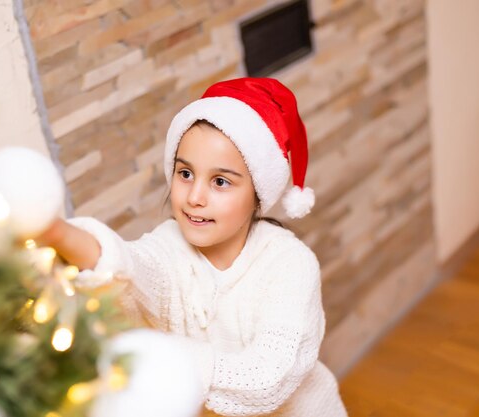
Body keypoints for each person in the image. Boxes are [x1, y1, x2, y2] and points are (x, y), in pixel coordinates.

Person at [38, 78, 348, 416]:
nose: (195, 198)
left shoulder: (291, 265)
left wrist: (167, 357)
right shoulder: (169, 245)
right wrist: (58, 233)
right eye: (185, 174)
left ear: (258, 193)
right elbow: (130, 270)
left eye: (220, 182)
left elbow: (269, 378)